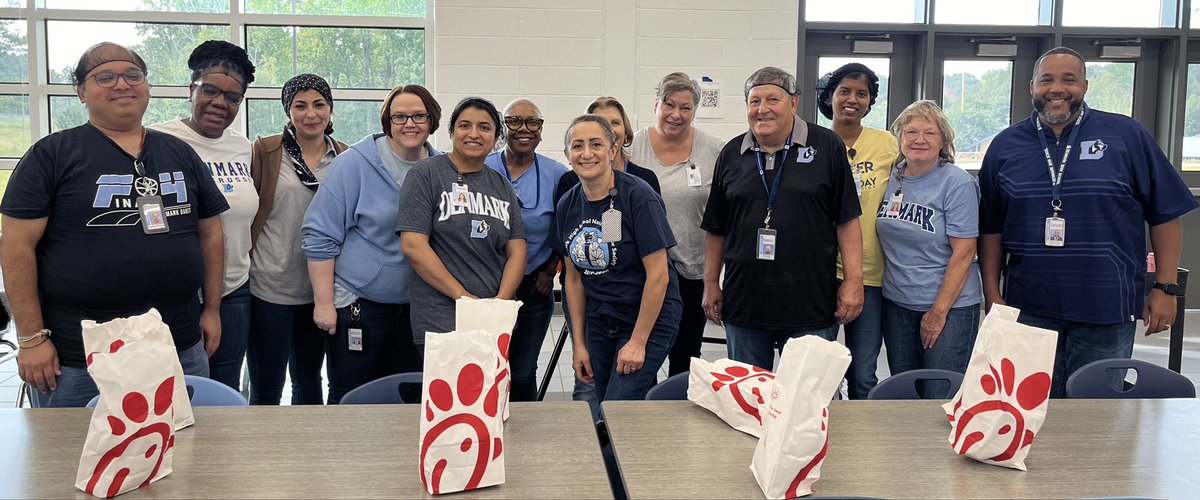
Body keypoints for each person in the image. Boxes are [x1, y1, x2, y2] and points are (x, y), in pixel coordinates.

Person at [0, 42, 228, 407]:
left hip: (178, 343)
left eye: (132, 74)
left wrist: (212, 309)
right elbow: (15, 246)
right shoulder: (52, 155)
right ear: (81, 92)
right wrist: (30, 338)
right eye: (105, 76)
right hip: (78, 355)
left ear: (147, 86)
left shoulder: (179, 152)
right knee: (74, 459)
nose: (122, 84)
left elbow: (211, 232)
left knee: (185, 454)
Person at [978, 47, 1197, 398]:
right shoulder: (1005, 146)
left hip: (1106, 308)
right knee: (1028, 411)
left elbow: (1166, 215)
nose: (1057, 88)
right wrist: (992, 294)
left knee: (1097, 417)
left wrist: (1165, 289)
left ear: (1085, 86)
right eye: (1047, 79)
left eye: (1069, 79)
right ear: (1031, 86)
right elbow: (990, 229)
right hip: (1028, 310)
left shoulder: (1126, 135)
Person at [701, 67, 863, 370]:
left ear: (794, 103)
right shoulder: (731, 153)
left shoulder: (827, 146)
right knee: (750, 400)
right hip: (745, 302)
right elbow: (716, 228)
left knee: (808, 400)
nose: (762, 109)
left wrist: (854, 282)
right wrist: (711, 283)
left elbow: (847, 220)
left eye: (772, 99)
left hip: (810, 302)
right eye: (754, 101)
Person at [301, 85, 436, 404]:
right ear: (387, 121)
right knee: (353, 394)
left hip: (418, 307)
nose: (410, 123)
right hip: (359, 305)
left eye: (419, 115)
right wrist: (324, 304)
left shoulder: (440, 167)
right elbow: (319, 234)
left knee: (409, 395)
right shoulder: (354, 164)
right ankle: (346, 456)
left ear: (432, 120)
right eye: (399, 116)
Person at [150, 40, 256, 391]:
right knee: (172, 392)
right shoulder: (158, 140)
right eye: (210, 90)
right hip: (177, 294)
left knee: (224, 391)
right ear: (190, 89)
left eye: (232, 97)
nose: (220, 103)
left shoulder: (242, 147)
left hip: (235, 289)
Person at [554, 114, 681, 403]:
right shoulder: (568, 203)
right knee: (602, 401)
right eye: (577, 146)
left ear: (613, 150)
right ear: (567, 155)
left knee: (617, 406)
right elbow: (572, 280)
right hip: (600, 315)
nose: (586, 153)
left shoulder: (639, 197)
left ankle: (618, 449)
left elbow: (658, 275)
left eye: (596, 144)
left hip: (646, 315)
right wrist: (579, 344)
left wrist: (638, 341)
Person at [247, 74, 348, 405]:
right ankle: (264, 456)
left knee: (308, 382)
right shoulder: (265, 152)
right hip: (270, 286)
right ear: (288, 111)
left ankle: (308, 455)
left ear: (331, 110)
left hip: (321, 290)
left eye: (319, 105)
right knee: (267, 386)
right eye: (300, 105)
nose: (311, 114)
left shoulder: (346, 157)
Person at [397, 97, 526, 350]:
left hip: (493, 321)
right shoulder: (426, 174)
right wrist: (465, 299)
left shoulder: (502, 186)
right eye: (465, 125)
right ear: (452, 131)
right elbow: (413, 246)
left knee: (493, 390)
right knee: (450, 390)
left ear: (496, 136)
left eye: (485, 127)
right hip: (443, 321)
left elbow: (517, 250)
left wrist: (499, 304)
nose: (474, 134)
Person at [877, 100, 982, 383]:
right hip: (898, 303)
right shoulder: (891, 178)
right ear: (899, 136)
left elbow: (965, 252)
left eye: (929, 133)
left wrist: (938, 312)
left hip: (950, 308)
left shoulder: (957, 183)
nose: (919, 139)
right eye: (910, 132)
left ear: (943, 140)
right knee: (905, 393)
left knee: (938, 395)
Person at [628, 72, 724, 377]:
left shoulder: (715, 151)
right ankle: (636, 417)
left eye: (685, 108)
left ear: (694, 112)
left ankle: (676, 420)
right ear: (656, 105)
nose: (675, 114)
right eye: (668, 105)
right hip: (640, 270)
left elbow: (723, 214)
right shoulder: (633, 148)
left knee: (684, 355)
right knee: (639, 351)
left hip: (690, 270)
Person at [815, 63, 899, 399]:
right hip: (819, 272)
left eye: (861, 93)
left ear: (870, 101)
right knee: (819, 373)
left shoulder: (887, 145)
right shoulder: (813, 142)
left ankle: (861, 444)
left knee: (864, 372)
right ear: (830, 97)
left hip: (870, 274)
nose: (852, 99)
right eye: (845, 91)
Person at [483, 98, 568, 402]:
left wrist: (550, 270)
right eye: (514, 121)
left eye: (532, 122)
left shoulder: (558, 174)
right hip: (485, 285)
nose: (524, 129)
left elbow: (566, 228)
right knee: (485, 367)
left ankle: (526, 440)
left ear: (541, 130)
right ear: (503, 128)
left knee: (521, 370)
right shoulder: (482, 165)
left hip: (535, 285)